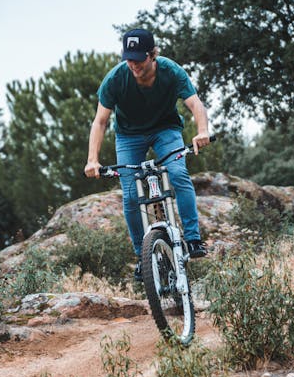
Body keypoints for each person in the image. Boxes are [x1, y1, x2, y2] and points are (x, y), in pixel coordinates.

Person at [84, 28, 211, 281]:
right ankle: (142, 256)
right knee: (131, 195)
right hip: (129, 137)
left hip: (165, 131)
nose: (133, 64)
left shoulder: (170, 71)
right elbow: (100, 121)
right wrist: (92, 159)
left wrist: (202, 131)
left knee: (178, 174)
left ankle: (193, 239)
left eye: (138, 58)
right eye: (128, 58)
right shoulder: (116, 78)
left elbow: (195, 103)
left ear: (152, 55)